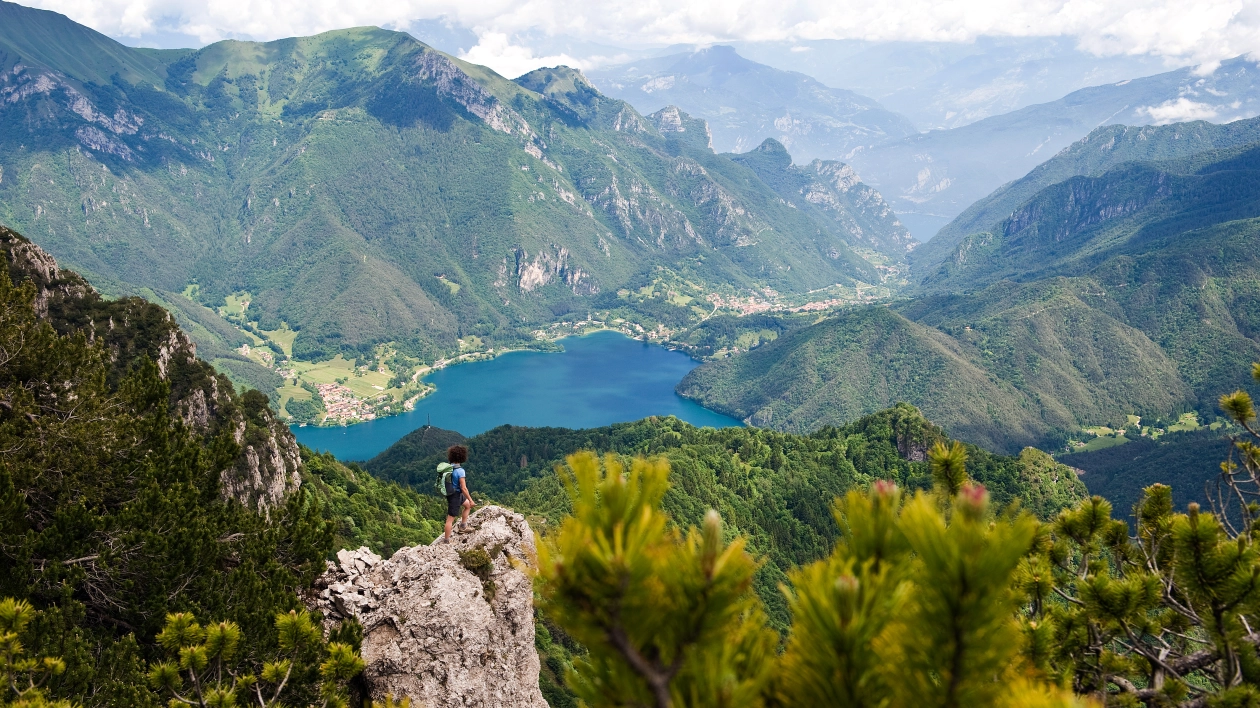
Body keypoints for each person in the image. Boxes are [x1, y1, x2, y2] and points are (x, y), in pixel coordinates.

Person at [443, 445, 475, 543]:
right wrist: (471, 499)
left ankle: (463, 527)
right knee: (450, 519)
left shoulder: (448, 468)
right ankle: (446, 541)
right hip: (455, 496)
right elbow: (464, 488)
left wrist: (468, 501)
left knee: (467, 506)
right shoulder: (460, 471)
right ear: (462, 457)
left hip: (452, 493)